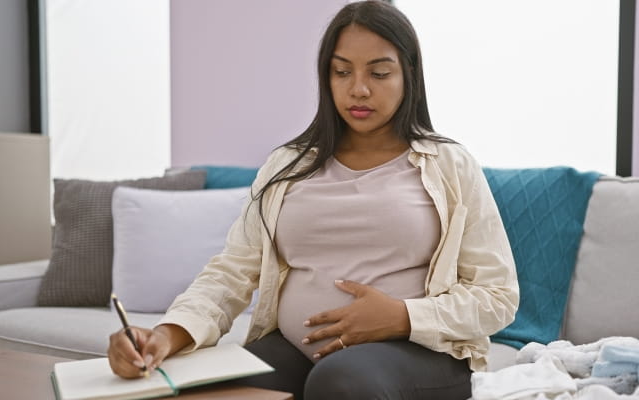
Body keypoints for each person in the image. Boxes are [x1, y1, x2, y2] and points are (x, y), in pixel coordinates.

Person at [108, 1, 519, 399]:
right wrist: (167, 334)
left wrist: (402, 317)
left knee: (340, 382)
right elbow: (232, 271)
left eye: (379, 73)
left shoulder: (449, 165)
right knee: (213, 386)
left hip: (420, 352)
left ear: (408, 74)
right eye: (342, 72)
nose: (359, 89)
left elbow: (497, 296)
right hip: (296, 349)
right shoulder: (287, 165)